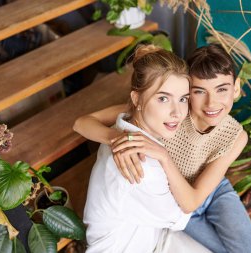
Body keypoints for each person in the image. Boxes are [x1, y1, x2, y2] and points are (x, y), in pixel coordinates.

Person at [74, 44, 251, 253]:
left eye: (222, 89)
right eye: (199, 91)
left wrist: (158, 153)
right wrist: (120, 139)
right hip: (178, 199)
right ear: (189, 91)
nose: (212, 103)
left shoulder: (234, 135)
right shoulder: (173, 112)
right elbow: (82, 123)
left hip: (210, 190)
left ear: (236, 88)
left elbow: (197, 196)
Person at [83, 45, 210, 253]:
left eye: (183, 99)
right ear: (136, 100)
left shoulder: (125, 126)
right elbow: (180, 216)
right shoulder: (141, 165)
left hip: (149, 235)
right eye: (163, 98)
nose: (177, 112)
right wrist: (165, 158)